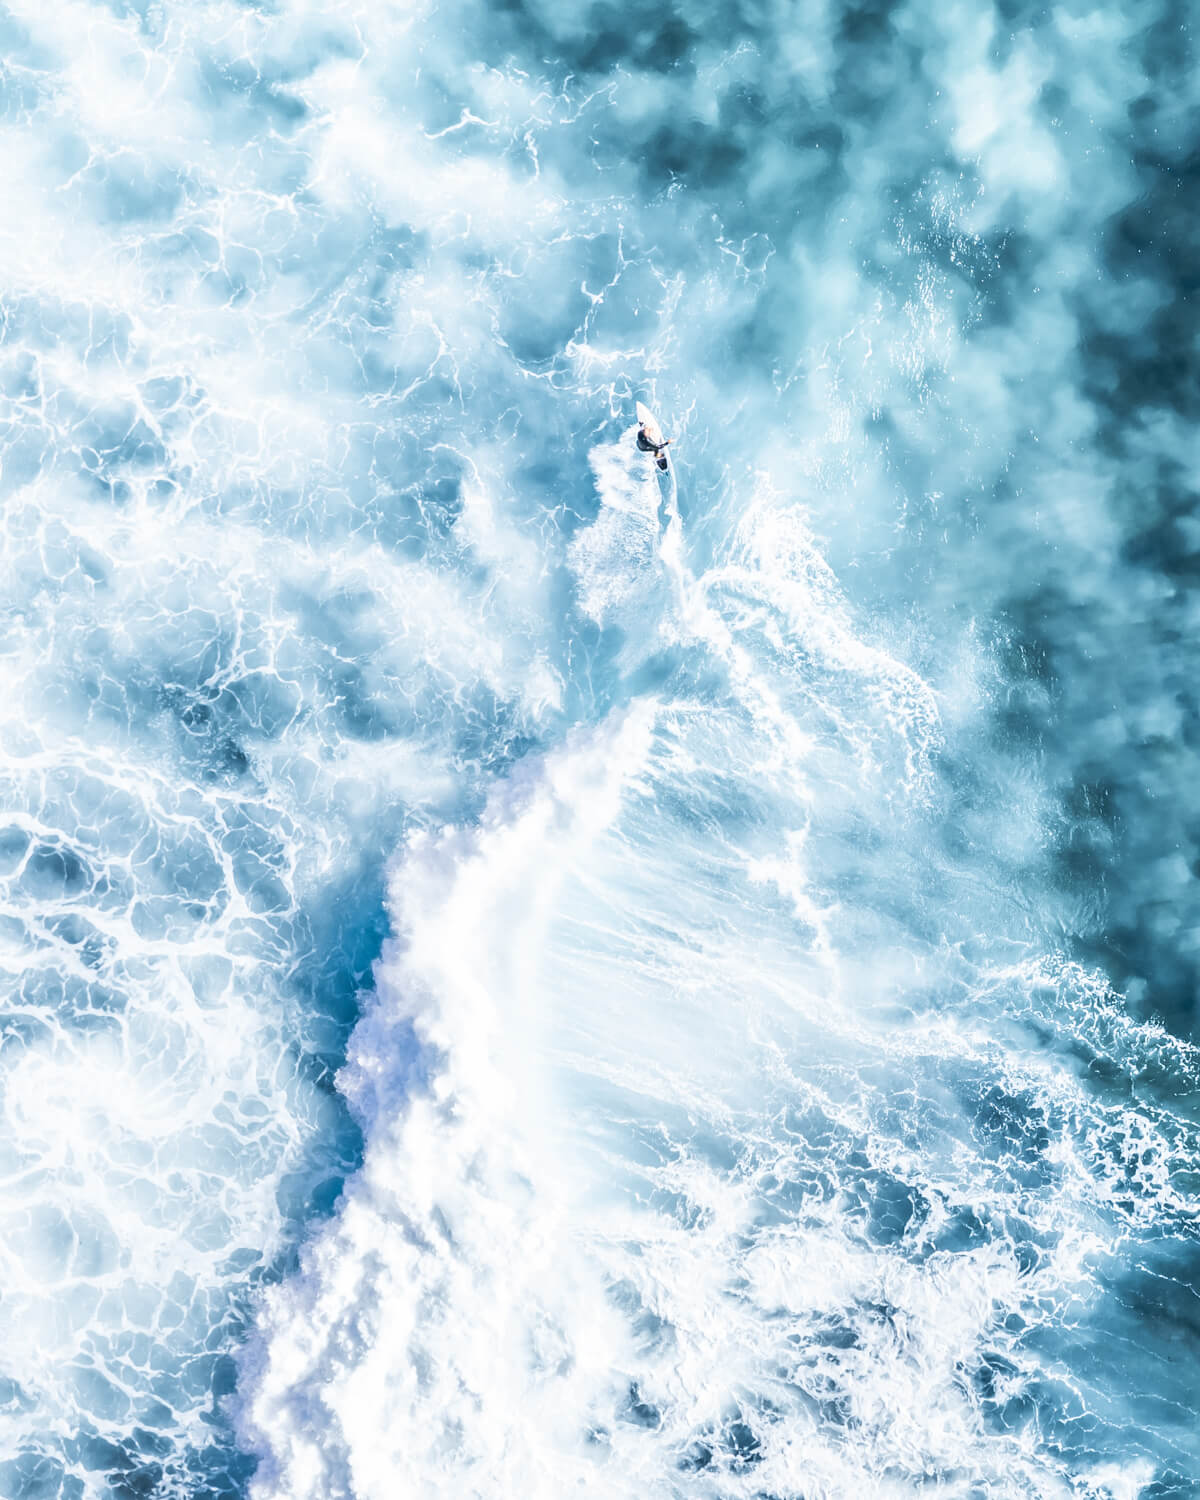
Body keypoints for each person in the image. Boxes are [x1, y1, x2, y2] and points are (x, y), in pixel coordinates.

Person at [636, 407, 671, 471]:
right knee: (655, 448)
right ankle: (660, 462)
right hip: (643, 448)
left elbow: (643, 428)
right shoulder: (647, 441)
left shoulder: (640, 432)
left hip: (639, 444)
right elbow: (658, 447)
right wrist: (667, 442)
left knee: (654, 447)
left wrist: (643, 425)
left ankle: (657, 457)